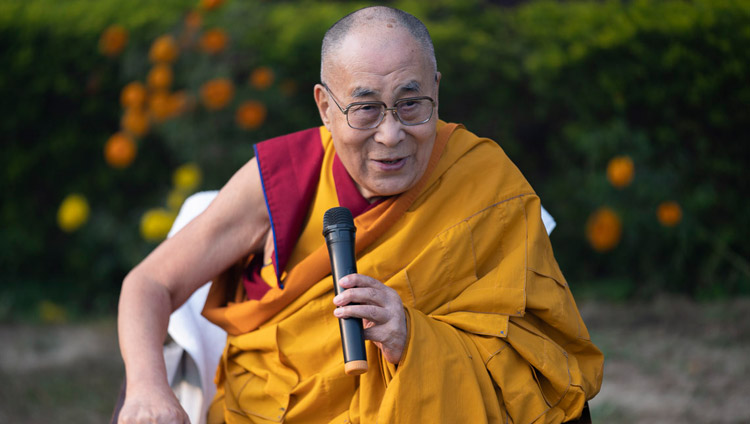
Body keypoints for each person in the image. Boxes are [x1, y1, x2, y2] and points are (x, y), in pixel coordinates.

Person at [117, 6, 603, 424]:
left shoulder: (486, 184)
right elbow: (149, 284)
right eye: (365, 110)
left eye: (411, 104)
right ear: (325, 107)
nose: (392, 135)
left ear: (436, 89)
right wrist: (146, 389)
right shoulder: (289, 175)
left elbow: (545, 374)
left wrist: (413, 337)